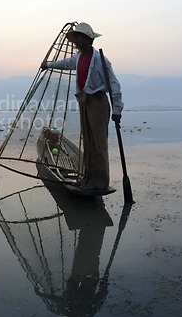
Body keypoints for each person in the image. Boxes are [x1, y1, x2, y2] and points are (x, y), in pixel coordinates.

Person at [40, 22, 123, 191]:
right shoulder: (78, 57)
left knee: (98, 144)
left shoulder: (100, 59)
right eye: (75, 37)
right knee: (88, 142)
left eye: (79, 37)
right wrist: (47, 64)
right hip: (85, 103)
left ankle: (99, 182)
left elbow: (114, 84)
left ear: (88, 39)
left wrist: (117, 110)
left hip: (98, 103)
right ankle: (87, 178)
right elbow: (65, 63)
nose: (76, 40)